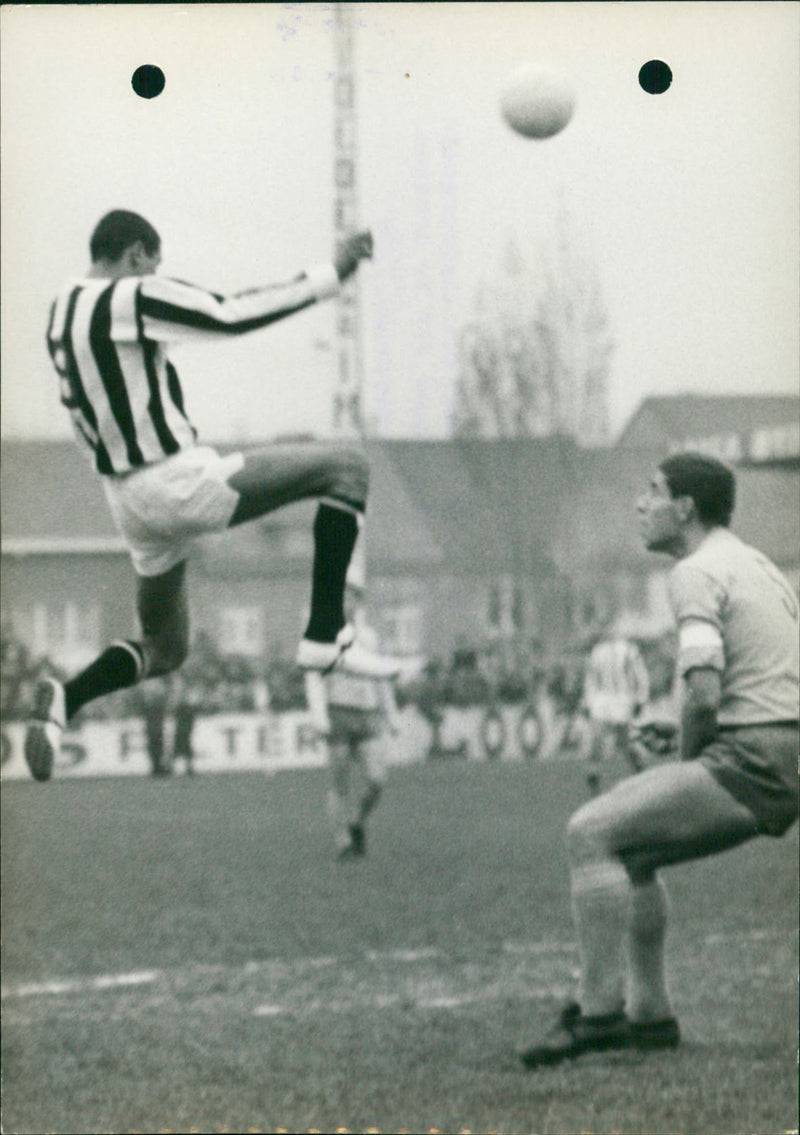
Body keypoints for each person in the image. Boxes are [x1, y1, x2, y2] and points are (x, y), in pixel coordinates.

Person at [24, 209, 398, 783]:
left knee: (165, 648)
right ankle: (325, 634)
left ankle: (64, 703)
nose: (157, 271)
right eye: (156, 260)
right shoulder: (130, 296)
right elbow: (229, 314)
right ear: (136, 255)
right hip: (172, 481)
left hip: (126, 500)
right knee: (347, 467)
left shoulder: (60, 313)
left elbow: (79, 413)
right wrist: (333, 274)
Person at [521, 452, 798, 1067]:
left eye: (652, 492)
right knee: (634, 856)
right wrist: (684, 731)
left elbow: (703, 689)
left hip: (754, 757)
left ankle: (598, 1015)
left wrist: (685, 759)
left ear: (685, 509)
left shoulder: (694, 573)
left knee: (589, 832)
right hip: (781, 753)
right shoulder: (758, 565)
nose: (639, 505)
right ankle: (651, 1017)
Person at [304, 578, 402, 858]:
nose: (347, 602)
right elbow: (313, 680)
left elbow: (379, 677)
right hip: (338, 712)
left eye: (353, 597)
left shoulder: (368, 637)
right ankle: (343, 842)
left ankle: (356, 821)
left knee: (377, 779)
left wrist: (391, 714)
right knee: (340, 783)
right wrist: (319, 717)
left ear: (359, 602)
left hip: (367, 714)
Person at [583, 635, 651, 795]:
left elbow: (641, 674)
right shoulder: (597, 651)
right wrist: (587, 701)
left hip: (622, 700)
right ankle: (593, 777)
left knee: (624, 743)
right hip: (602, 700)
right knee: (597, 738)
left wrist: (641, 698)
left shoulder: (629, 650)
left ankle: (641, 772)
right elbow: (591, 678)